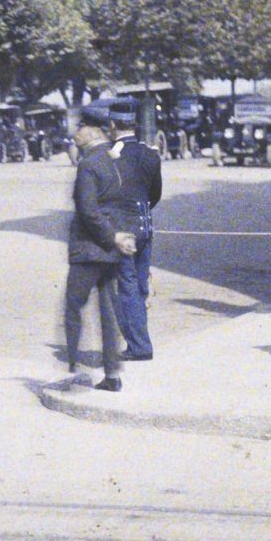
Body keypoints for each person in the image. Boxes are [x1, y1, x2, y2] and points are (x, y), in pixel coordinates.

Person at [63, 108, 130, 393]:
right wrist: (120, 239)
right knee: (109, 313)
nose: (74, 135)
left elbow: (88, 211)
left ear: (92, 131)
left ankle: (75, 369)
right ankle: (112, 374)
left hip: (89, 250)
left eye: (78, 129)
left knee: (73, 308)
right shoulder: (118, 160)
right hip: (113, 251)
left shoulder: (88, 164)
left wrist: (110, 237)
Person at [109, 110, 164, 363]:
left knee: (128, 287)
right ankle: (139, 340)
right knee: (140, 286)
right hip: (145, 226)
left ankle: (139, 346)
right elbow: (155, 193)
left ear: (113, 125)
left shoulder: (111, 156)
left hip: (122, 230)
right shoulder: (150, 154)